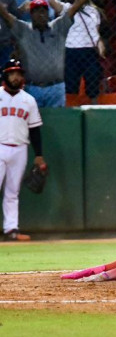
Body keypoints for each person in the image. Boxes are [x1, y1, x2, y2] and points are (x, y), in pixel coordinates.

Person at [0, 0, 92, 108]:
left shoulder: (58, 26)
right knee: (34, 123)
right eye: (37, 11)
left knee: (57, 122)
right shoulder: (23, 29)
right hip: (32, 88)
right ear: (31, 15)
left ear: (48, 13)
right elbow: (6, 15)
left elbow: (74, 8)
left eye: (44, 11)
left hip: (56, 88)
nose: (41, 14)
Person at [0, 59, 45, 242]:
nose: (16, 77)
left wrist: (39, 155)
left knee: (13, 192)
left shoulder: (28, 100)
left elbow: (34, 130)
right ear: (5, 75)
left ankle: (11, 229)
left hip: (20, 149)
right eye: (12, 73)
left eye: (18, 73)